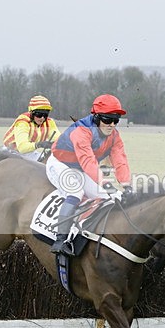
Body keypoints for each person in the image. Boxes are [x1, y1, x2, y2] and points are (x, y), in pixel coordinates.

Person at [46, 94, 133, 255]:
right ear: (97, 117)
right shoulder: (81, 131)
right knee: (75, 192)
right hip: (60, 164)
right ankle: (60, 240)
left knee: (108, 197)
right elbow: (88, 162)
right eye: (107, 119)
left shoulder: (114, 136)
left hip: (80, 169)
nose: (112, 125)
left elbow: (120, 160)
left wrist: (127, 185)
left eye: (116, 120)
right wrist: (106, 183)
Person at [2, 95, 60, 161]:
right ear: (32, 112)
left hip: (29, 152)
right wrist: (39, 144)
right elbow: (22, 147)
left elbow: (58, 140)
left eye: (45, 114)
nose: (42, 118)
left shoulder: (49, 122)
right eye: (39, 114)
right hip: (10, 152)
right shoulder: (23, 122)